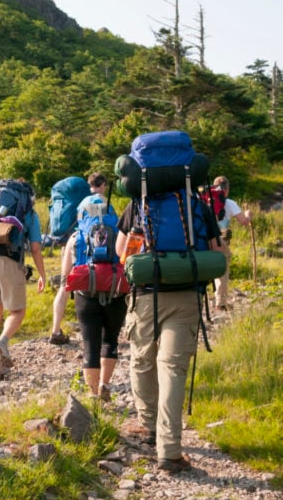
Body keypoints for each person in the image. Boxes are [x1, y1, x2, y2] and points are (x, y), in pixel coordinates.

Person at [115, 199, 223, 472]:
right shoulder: (195, 203)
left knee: (142, 360)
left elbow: (120, 251)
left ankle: (149, 425)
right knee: (173, 369)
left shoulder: (138, 204)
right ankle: (170, 451)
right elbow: (217, 251)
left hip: (145, 297)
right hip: (186, 296)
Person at [0, 180, 46, 375]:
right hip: (8, 262)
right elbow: (35, 248)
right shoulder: (29, 215)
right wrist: (42, 274)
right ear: (29, 198)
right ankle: (3, 342)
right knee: (18, 311)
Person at [61, 227, 128, 400]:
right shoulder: (120, 232)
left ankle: (93, 394)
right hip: (116, 292)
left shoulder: (77, 236)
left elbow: (65, 273)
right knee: (111, 340)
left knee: (90, 345)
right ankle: (104, 384)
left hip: (86, 295)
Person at [48, 173, 108, 345]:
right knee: (97, 284)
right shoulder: (100, 201)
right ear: (103, 184)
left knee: (64, 286)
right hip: (90, 246)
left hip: (69, 242)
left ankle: (55, 330)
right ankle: (98, 331)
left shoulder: (81, 202)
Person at [212, 176, 252, 311]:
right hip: (218, 240)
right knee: (222, 267)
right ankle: (220, 302)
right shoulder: (229, 203)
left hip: (201, 238)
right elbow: (244, 222)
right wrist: (248, 214)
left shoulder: (205, 201)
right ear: (227, 189)